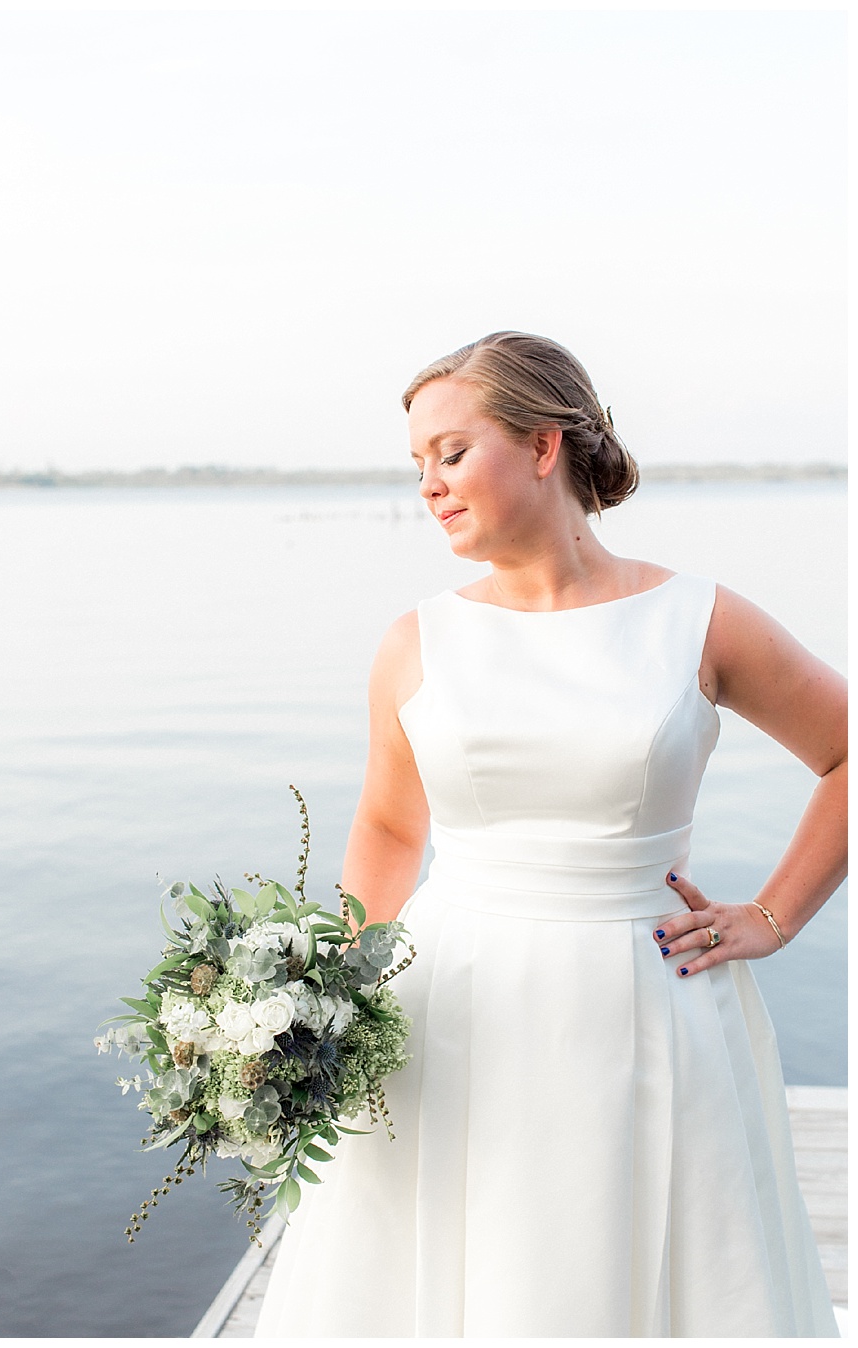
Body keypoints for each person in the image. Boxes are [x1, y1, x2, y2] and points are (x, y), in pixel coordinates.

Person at [253, 333, 844, 1337]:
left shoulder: (700, 621)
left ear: (542, 446)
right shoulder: (416, 640)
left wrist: (775, 915)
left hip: (648, 1002)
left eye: (450, 451)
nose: (430, 486)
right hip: (450, 1001)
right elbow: (392, 825)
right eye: (417, 465)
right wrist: (334, 995)